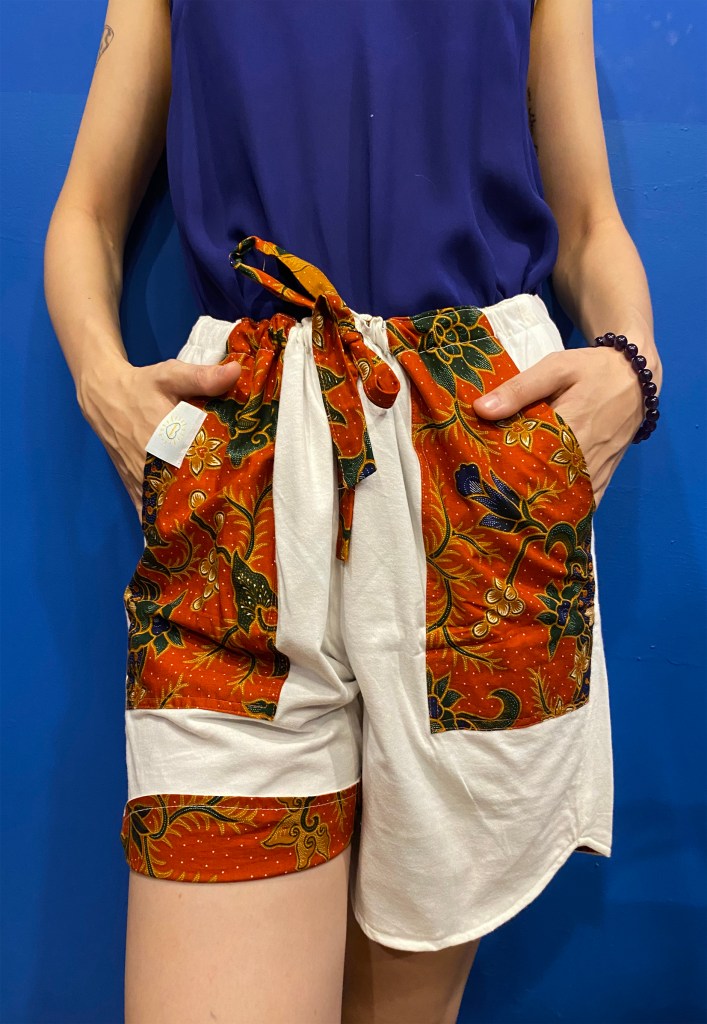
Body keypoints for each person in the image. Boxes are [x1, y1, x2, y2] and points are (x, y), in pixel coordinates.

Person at [43, 0, 663, 1021]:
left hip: (477, 472)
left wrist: (631, 367)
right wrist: (103, 384)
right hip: (244, 465)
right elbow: (88, 212)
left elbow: (589, 222)